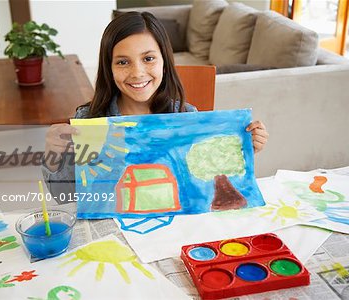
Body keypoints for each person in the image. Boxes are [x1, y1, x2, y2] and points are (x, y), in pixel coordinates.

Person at [42, 11, 269, 202]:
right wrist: (54, 155)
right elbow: (65, 196)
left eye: (148, 58)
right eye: (123, 62)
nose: (137, 73)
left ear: (164, 62)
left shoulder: (186, 116)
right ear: (109, 68)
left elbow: (207, 185)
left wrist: (243, 151)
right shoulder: (88, 120)